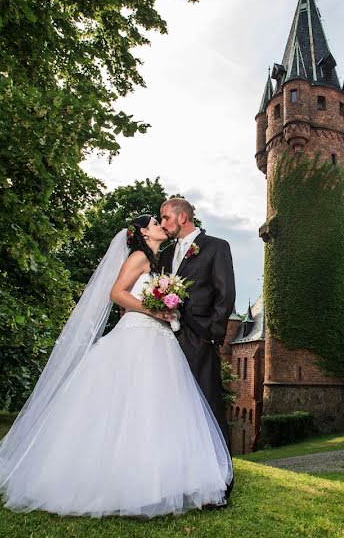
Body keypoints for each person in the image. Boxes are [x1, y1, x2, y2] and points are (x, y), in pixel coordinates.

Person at [0, 215, 232, 517]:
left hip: (157, 340)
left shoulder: (158, 260)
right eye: (156, 221)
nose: (163, 223)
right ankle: (118, 483)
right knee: (126, 407)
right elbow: (116, 293)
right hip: (136, 336)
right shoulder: (139, 257)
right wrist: (152, 310)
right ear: (144, 231)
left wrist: (165, 309)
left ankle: (157, 480)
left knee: (154, 409)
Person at [159, 198, 236, 501]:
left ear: (183, 216)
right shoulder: (166, 254)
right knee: (175, 406)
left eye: (166, 218)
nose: (163, 223)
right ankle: (181, 475)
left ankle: (221, 480)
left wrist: (211, 335)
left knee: (209, 405)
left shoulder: (217, 246)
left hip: (199, 338)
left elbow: (225, 294)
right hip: (166, 338)